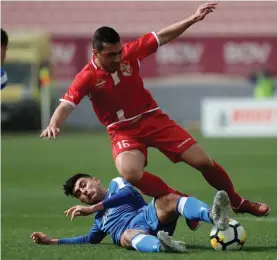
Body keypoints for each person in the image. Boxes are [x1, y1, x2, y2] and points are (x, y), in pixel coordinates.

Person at [40, 2, 270, 223]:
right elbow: (66, 105)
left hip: (152, 118)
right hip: (122, 131)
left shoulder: (130, 53)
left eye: (119, 52)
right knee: (129, 172)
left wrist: (193, 18)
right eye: (111, 55)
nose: (118, 58)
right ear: (96, 53)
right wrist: (53, 123)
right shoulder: (86, 77)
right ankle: (180, 201)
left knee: (203, 162)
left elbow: (163, 36)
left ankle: (238, 202)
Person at [31, 174, 231, 253]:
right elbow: (89, 240)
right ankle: (163, 247)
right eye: (79, 194)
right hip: (133, 233)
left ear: (95, 180)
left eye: (83, 185)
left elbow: (128, 193)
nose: (83, 191)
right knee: (125, 236)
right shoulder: (99, 221)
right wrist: (51, 241)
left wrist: (93, 208)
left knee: (167, 198)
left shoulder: (115, 185)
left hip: (147, 216)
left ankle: (213, 216)